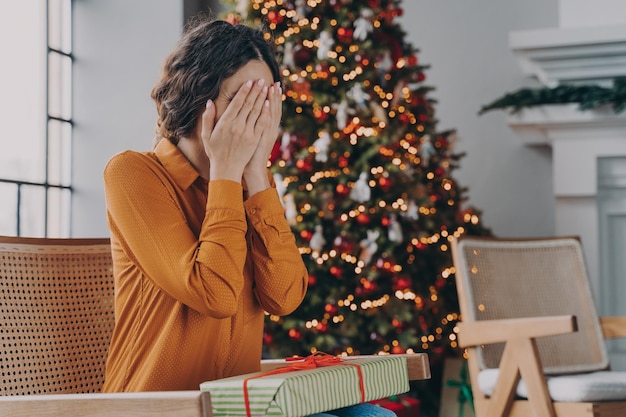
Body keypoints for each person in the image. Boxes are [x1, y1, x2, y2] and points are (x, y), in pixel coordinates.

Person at [101, 17, 394, 417]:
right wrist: (225, 170)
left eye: (266, 100)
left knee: (372, 416)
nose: (257, 115)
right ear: (196, 96)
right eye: (242, 98)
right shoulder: (133, 173)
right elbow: (215, 295)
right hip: (160, 408)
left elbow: (285, 296)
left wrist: (256, 174)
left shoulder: (249, 181)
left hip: (237, 406)